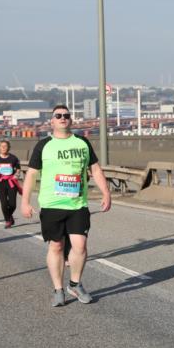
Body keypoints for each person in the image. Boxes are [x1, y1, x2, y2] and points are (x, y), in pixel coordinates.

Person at [20, 104, 111, 307]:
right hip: (52, 204)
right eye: (58, 115)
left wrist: (106, 192)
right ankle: (58, 289)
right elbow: (31, 174)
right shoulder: (43, 145)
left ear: (71, 120)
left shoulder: (82, 142)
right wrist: (25, 202)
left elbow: (95, 169)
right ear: (52, 121)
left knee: (80, 246)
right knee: (57, 246)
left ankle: (75, 284)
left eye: (66, 115)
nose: (63, 118)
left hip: (77, 204)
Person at [0, 139, 21, 227]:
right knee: (4, 204)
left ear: (9, 147)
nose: (3, 148)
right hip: (0, 182)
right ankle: (8, 220)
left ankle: (9, 216)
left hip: (11, 182)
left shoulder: (13, 158)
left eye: (5, 146)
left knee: (13, 204)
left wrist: (16, 175)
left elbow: (18, 169)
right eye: (2, 146)